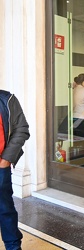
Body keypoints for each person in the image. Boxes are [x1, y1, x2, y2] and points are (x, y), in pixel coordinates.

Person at [0, 90, 30, 250]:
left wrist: (6, 160)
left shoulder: (7, 99)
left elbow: (22, 129)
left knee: (4, 209)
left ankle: (13, 247)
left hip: (0, 168)